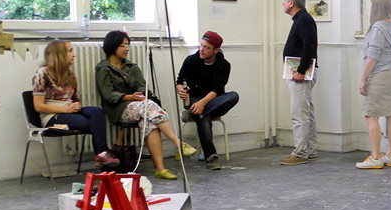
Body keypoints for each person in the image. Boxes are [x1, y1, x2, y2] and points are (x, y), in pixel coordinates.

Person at [95, 30, 196, 180]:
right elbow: (108, 95)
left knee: (149, 121)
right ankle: (177, 142)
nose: (127, 48)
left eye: (128, 45)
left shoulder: (132, 67)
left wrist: (139, 95)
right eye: (123, 46)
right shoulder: (103, 69)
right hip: (118, 109)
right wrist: (131, 97)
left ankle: (160, 169)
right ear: (113, 47)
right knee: (149, 107)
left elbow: (143, 87)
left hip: (140, 107)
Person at [32, 40, 119, 168]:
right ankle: (103, 155)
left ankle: (102, 155)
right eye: (70, 51)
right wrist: (65, 110)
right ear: (59, 54)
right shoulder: (42, 74)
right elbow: (38, 106)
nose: (74, 55)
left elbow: (76, 100)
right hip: (52, 116)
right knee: (91, 123)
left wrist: (77, 105)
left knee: (97, 112)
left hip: (70, 111)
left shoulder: (70, 75)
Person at [175, 30, 238, 171]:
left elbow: (217, 89)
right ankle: (211, 157)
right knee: (203, 116)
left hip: (214, 100)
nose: (202, 50)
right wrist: (181, 90)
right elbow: (179, 81)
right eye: (201, 45)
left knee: (233, 96)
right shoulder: (191, 60)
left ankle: (193, 112)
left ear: (216, 50)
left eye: (206, 47)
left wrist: (202, 104)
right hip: (194, 99)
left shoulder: (224, 65)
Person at [356, 0, 391, 169]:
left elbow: (372, 56)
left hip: (380, 75)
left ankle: (375, 157)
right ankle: (390, 155)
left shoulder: (378, 27)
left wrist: (363, 79)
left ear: (376, 8)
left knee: (371, 115)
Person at [280, 0, 318, 165]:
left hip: (301, 74)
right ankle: (309, 150)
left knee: (299, 114)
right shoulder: (302, 19)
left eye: (284, 1)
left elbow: (309, 46)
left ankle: (300, 153)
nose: (283, 4)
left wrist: (301, 70)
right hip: (299, 73)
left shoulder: (303, 19)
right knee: (306, 112)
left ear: (291, 3)